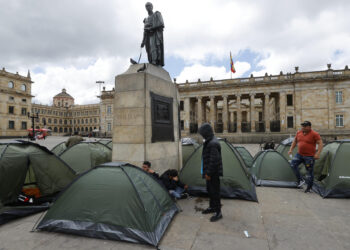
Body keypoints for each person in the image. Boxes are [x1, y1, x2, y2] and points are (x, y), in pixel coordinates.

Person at [288, 121, 323, 193]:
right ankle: (301, 180)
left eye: (304, 126)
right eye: (302, 126)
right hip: (299, 154)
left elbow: (320, 143)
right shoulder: (299, 132)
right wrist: (291, 149)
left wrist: (318, 154)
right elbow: (295, 141)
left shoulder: (314, 134)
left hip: (309, 157)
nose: (302, 127)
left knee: (309, 172)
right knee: (292, 165)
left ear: (309, 127)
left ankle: (309, 188)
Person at [198, 123, 223, 222]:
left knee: (215, 192)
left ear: (206, 133)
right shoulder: (210, 141)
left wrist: (208, 173)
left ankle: (218, 212)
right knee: (210, 191)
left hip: (213, 174)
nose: (202, 135)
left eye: (202, 133)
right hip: (209, 173)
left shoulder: (213, 143)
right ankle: (212, 207)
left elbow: (214, 161)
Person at [141, 2, 164, 66]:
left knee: (153, 48)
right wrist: (143, 41)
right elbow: (144, 30)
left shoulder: (157, 14)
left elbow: (161, 24)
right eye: (146, 6)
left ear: (152, 6)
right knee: (148, 51)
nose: (147, 7)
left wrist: (151, 28)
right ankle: (151, 61)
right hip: (147, 36)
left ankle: (155, 61)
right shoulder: (146, 19)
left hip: (154, 35)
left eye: (149, 6)